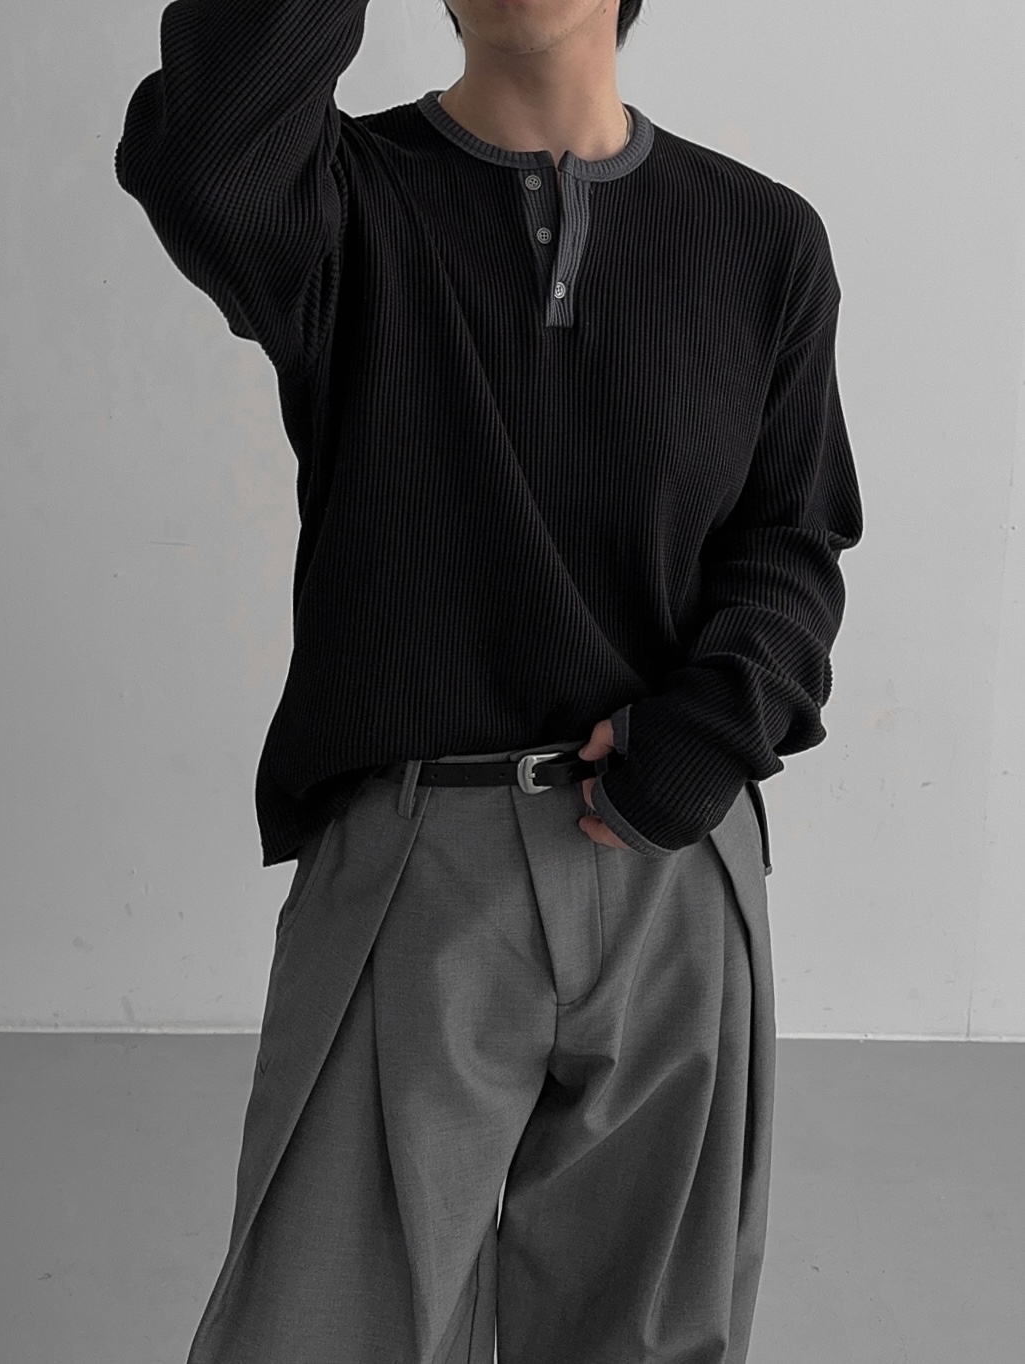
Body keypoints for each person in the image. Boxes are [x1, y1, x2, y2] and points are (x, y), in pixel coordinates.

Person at [115, 0, 863, 1358]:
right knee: (322, 1331)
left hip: (676, 870)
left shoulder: (764, 237)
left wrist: (704, 742)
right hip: (414, 857)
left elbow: (789, 541)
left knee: (652, 1338)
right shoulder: (338, 205)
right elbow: (205, 156)